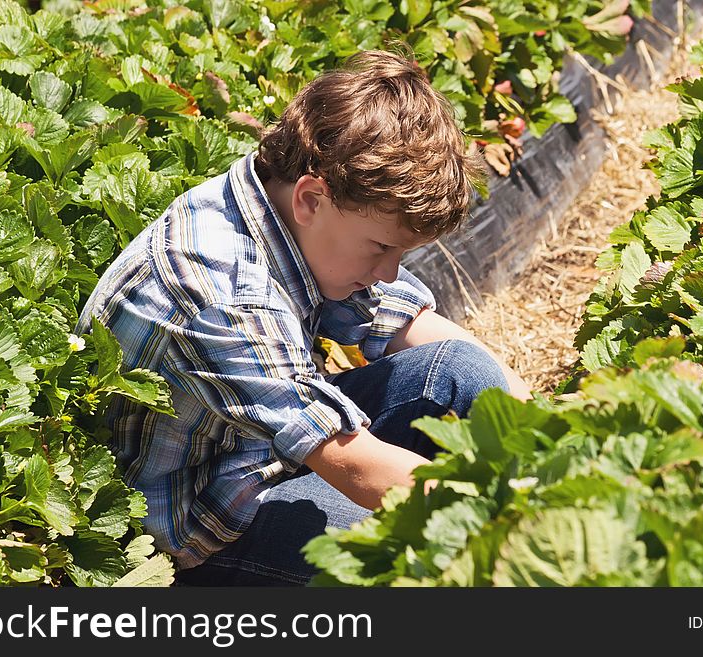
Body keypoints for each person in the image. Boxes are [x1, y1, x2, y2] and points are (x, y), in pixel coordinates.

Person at [75, 48, 532, 586]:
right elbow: (359, 466)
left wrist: (549, 437)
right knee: (388, 552)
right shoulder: (219, 290)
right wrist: (526, 527)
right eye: (381, 248)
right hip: (204, 528)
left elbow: (408, 320)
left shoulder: (294, 214)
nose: (388, 273)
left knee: (457, 367)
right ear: (312, 199)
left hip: (256, 449)